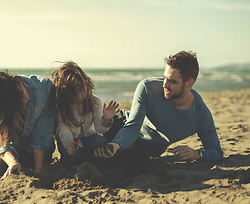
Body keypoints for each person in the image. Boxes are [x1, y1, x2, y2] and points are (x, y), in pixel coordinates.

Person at [95, 51, 223, 163]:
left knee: (129, 160)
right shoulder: (148, 88)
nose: (165, 85)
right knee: (94, 149)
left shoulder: (200, 115)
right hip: (119, 127)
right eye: (164, 78)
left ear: (189, 83)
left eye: (172, 81)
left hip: (144, 151)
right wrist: (116, 145)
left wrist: (197, 154)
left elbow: (216, 152)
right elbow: (132, 128)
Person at [50, 61, 119, 164]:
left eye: (82, 90)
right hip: (71, 139)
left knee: (103, 146)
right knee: (72, 157)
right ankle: (83, 155)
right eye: (74, 93)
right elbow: (64, 132)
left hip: (91, 137)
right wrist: (68, 144)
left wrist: (106, 119)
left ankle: (87, 156)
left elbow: (100, 128)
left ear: (87, 85)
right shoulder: (62, 107)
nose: (79, 96)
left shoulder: (95, 102)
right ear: (64, 93)